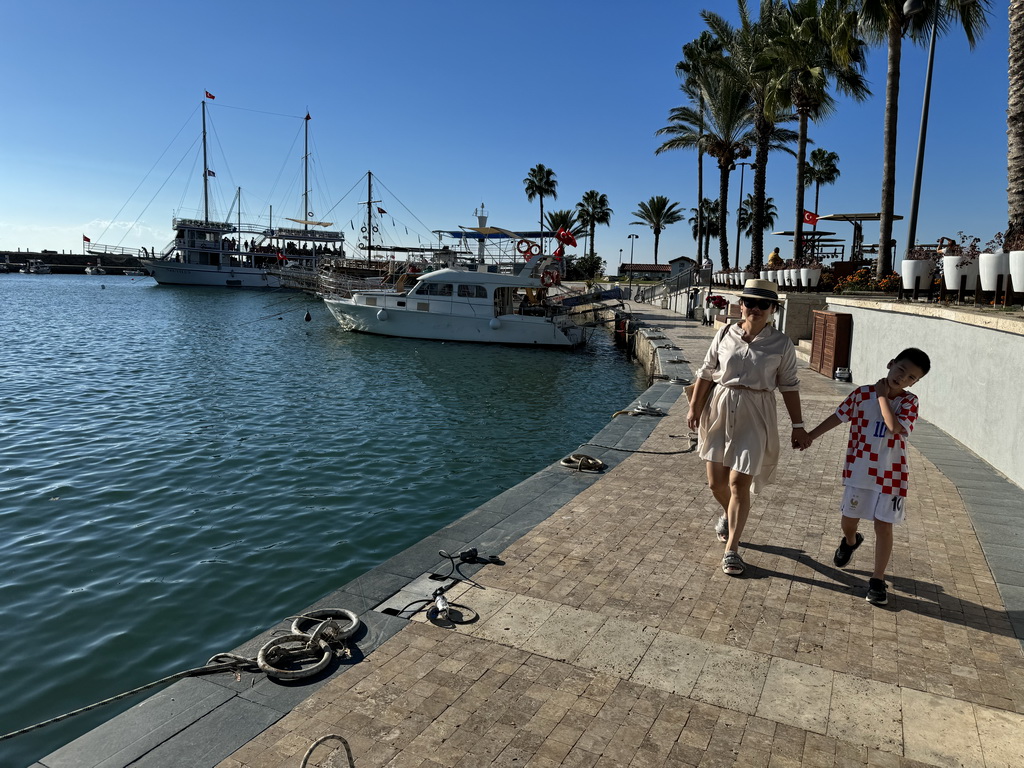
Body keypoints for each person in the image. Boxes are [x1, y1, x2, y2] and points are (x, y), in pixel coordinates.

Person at [687, 279, 810, 576]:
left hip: (757, 412)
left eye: (763, 304)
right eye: (749, 302)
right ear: (740, 304)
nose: (755, 308)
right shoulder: (726, 333)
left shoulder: (781, 344)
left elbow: (789, 386)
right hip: (721, 406)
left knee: (738, 483)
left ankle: (732, 549)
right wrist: (693, 407)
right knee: (716, 482)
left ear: (772, 309)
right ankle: (730, 517)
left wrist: (798, 425)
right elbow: (706, 371)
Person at [803, 348, 930, 605]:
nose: (902, 378)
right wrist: (810, 436)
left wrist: (883, 397)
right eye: (900, 370)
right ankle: (850, 541)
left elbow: (894, 427)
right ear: (890, 363)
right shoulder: (861, 394)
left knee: (883, 526)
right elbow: (838, 417)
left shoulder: (909, 402)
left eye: (910, 378)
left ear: (915, 383)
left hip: (892, 476)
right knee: (849, 520)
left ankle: (877, 579)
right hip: (860, 471)